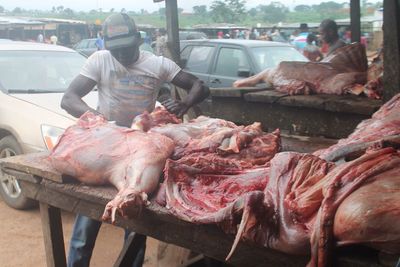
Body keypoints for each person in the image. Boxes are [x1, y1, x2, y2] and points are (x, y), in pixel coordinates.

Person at [61, 13, 210, 267]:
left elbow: (200, 86)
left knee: (135, 215)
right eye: (116, 50)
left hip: (142, 146)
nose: (120, 56)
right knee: (88, 217)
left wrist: (184, 103)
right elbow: (69, 98)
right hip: (107, 143)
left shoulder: (158, 64)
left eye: (126, 49)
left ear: (139, 41)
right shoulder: (100, 60)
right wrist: (97, 118)